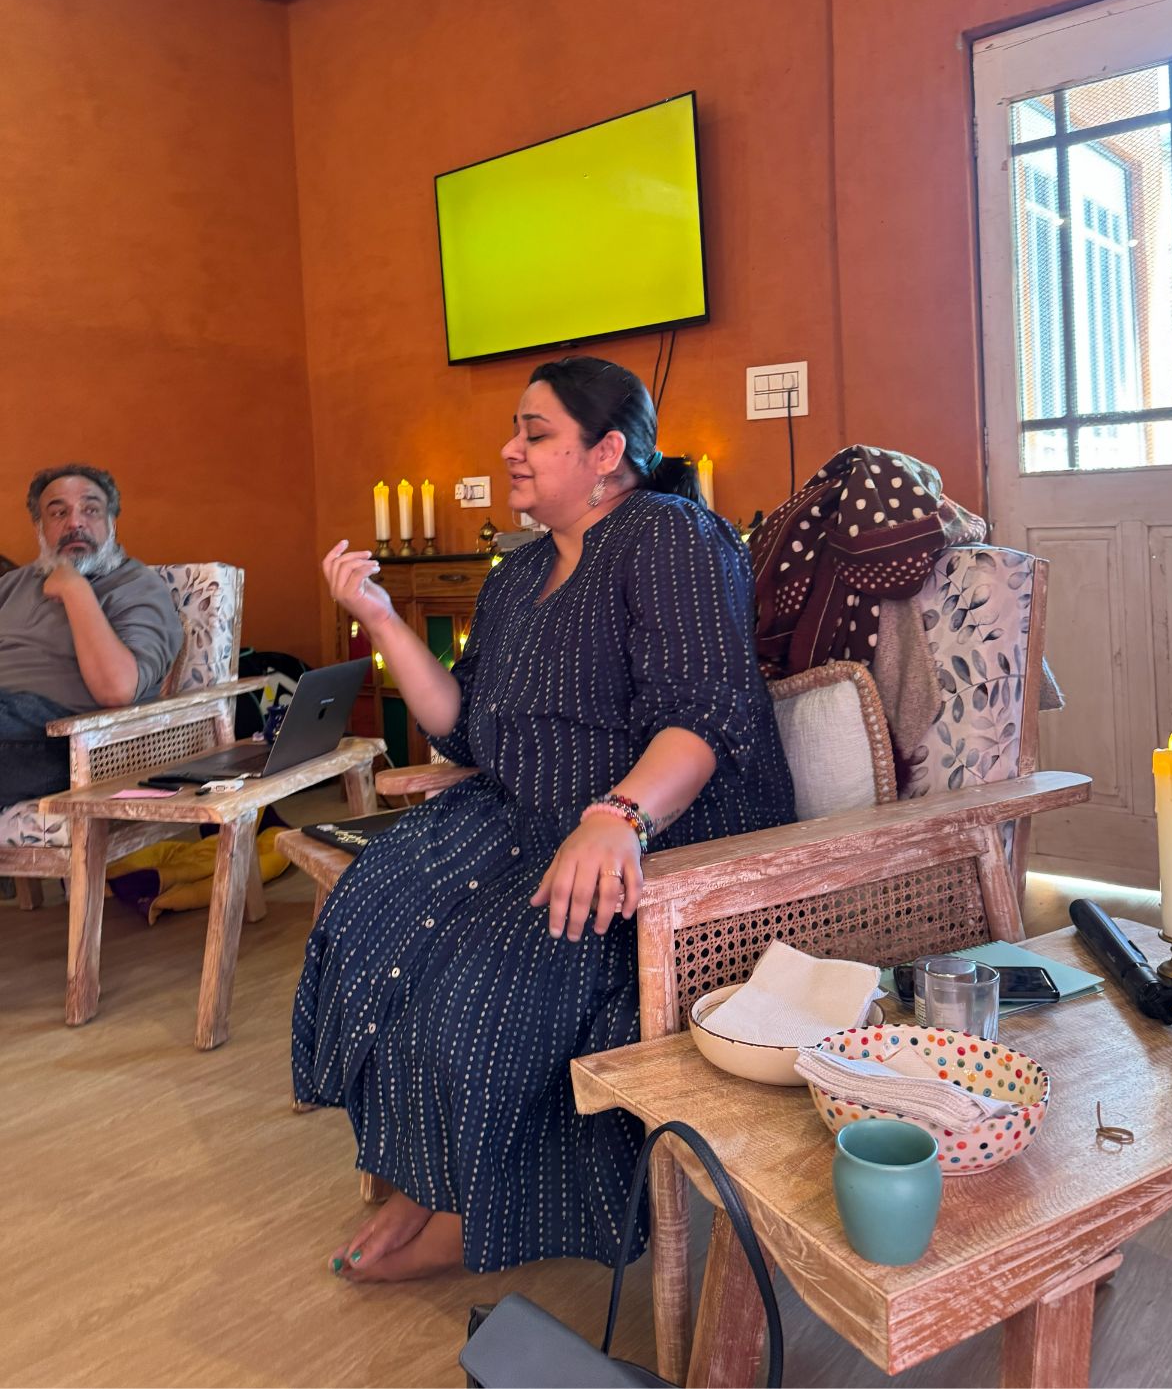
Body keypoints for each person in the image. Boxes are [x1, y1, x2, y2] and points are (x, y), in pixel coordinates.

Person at [293, 357, 794, 1282]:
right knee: (376, 924)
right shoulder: (517, 573)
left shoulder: (669, 536)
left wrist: (617, 817)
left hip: (658, 827)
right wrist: (379, 616)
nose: (509, 451)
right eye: (516, 432)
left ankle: (477, 1210)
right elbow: (459, 720)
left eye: (535, 433)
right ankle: (431, 1177)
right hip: (525, 813)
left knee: (488, 985)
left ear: (606, 453)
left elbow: (704, 712)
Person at [0, 466, 183, 805]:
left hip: (68, 741)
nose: (75, 523)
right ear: (40, 528)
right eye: (58, 513)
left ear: (112, 522)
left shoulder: (136, 586)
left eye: (91, 510)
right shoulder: (12, 585)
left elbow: (117, 689)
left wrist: (75, 590)